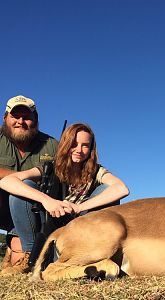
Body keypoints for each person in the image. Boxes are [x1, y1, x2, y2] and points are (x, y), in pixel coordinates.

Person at [0, 123, 129, 275]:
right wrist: (47, 200)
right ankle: (29, 254)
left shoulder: (96, 170)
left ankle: (91, 252)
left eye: (85, 145)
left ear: (91, 149)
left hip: (80, 226)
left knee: (106, 191)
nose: (79, 150)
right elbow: (6, 181)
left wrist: (80, 207)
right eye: (73, 144)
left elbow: (122, 188)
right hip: (49, 222)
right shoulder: (50, 167)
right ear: (65, 144)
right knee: (24, 187)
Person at [0, 95, 58, 273]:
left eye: (26, 117)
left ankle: (20, 247)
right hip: (3, 208)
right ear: (5, 119)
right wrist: (21, 178)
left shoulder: (52, 145)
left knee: (21, 262)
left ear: (36, 119)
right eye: (15, 116)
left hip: (32, 212)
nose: (20, 121)